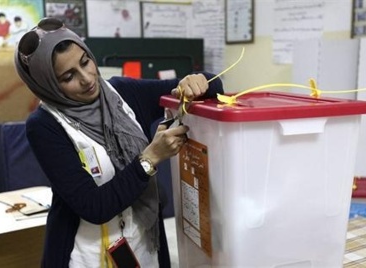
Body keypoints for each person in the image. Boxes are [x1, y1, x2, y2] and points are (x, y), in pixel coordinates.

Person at [14, 17, 223, 267]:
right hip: (85, 255)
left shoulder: (122, 93)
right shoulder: (44, 126)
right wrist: (149, 159)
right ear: (47, 83)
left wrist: (196, 81)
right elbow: (94, 206)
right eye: (68, 76)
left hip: (144, 246)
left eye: (85, 62)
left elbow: (214, 84)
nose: (87, 78)